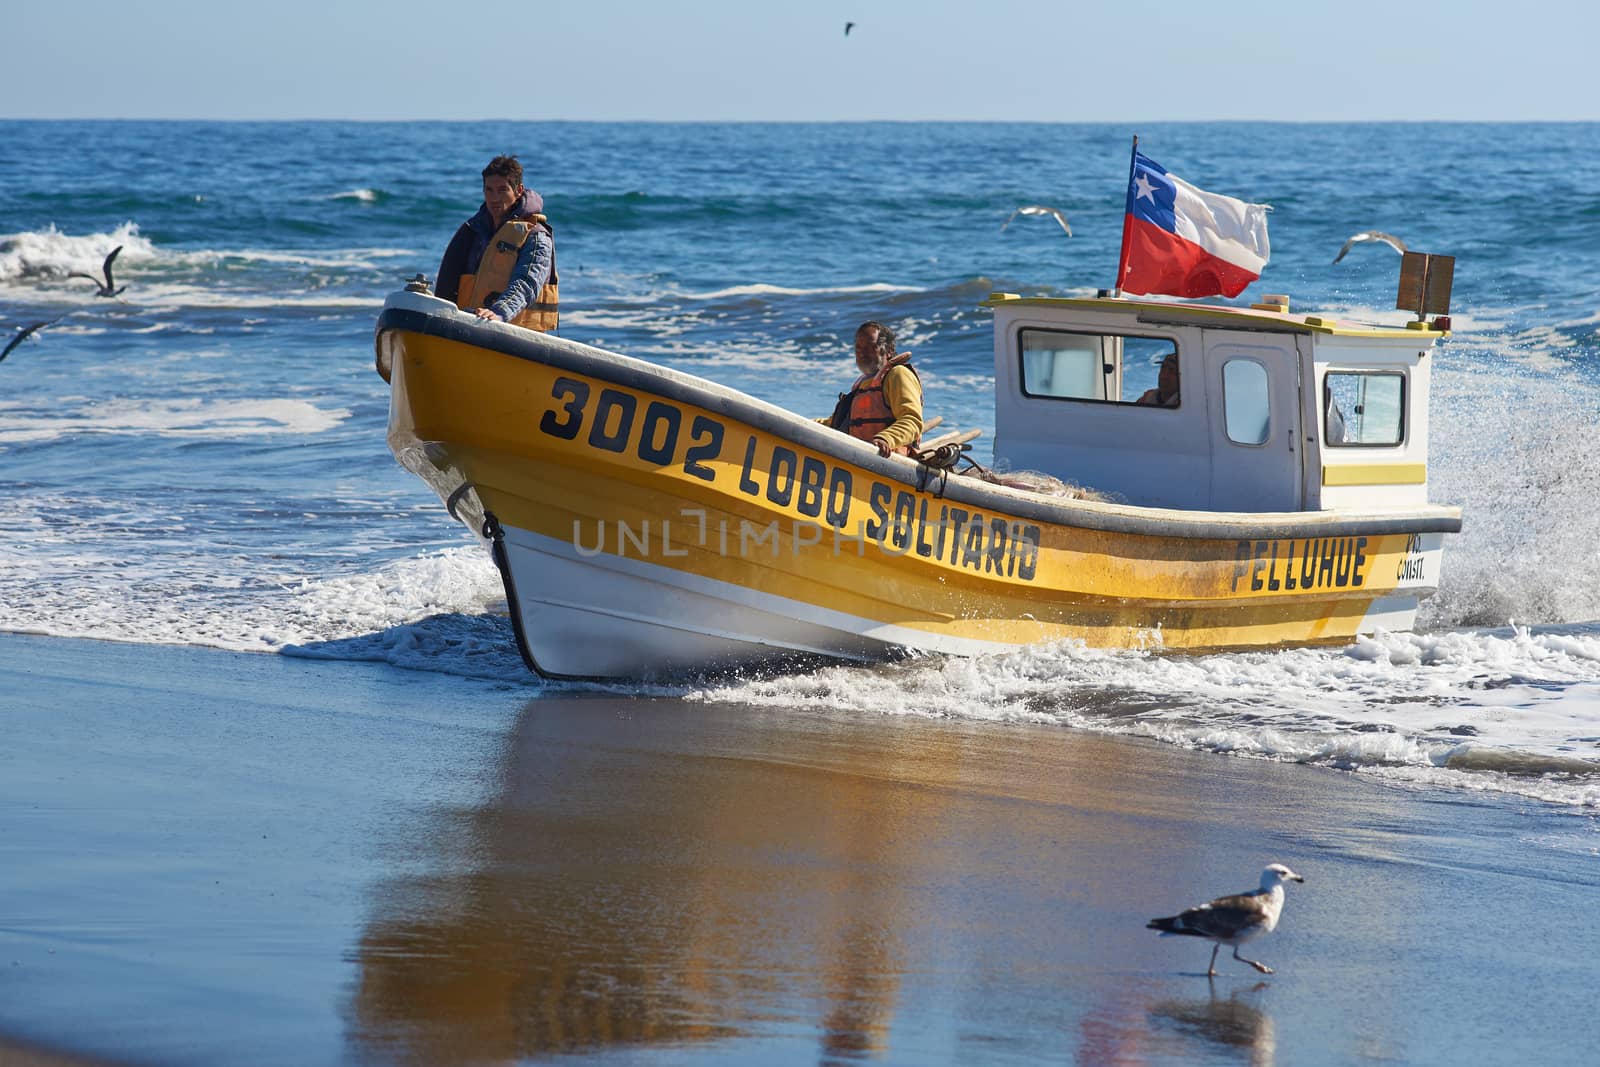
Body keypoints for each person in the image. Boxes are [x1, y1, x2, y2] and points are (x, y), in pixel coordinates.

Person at [434, 155, 558, 331]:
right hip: (468, 325)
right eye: (489, 190)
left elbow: (527, 282)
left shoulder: (536, 236)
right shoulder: (473, 231)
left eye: (502, 190)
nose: (494, 198)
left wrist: (500, 312)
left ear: (518, 190)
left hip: (516, 331)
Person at [820, 321, 923, 457]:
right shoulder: (862, 384)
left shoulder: (898, 375)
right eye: (859, 348)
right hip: (857, 455)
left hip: (888, 459)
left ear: (889, 350)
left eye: (870, 347)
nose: (862, 354)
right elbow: (835, 423)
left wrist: (885, 439)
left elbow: (912, 420)